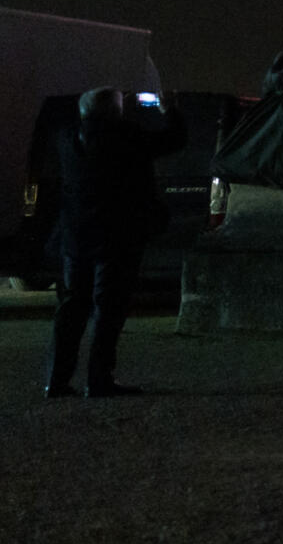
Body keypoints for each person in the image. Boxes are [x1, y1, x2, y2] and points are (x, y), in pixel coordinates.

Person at [45, 89, 186, 399]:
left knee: (71, 309)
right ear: (114, 112)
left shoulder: (66, 138)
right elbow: (174, 140)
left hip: (75, 237)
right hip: (117, 237)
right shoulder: (127, 137)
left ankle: (56, 380)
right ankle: (98, 379)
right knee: (108, 310)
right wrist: (169, 109)